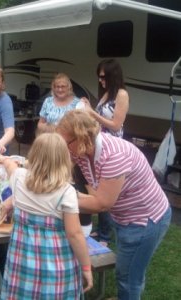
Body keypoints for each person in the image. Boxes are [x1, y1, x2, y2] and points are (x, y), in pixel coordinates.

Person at [57, 110, 171, 300]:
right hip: (125, 216)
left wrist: (58, 198)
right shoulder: (81, 150)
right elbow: (68, 172)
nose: (64, 148)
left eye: (65, 143)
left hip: (145, 220)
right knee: (132, 269)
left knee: (127, 277)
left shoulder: (114, 156)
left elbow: (102, 204)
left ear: (82, 139)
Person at [0, 133, 93, 299]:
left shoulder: (19, 178)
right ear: (64, 159)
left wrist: (2, 157)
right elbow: (75, 234)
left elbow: (9, 165)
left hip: (23, 263)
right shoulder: (66, 192)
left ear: (32, 156)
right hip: (56, 266)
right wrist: (86, 267)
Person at [37, 73, 92, 236]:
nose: (60, 89)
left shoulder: (77, 104)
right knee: (51, 179)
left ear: (69, 88)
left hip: (70, 151)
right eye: (57, 86)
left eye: (63, 86)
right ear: (53, 88)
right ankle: (53, 212)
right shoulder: (47, 102)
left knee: (71, 181)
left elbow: (83, 127)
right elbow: (40, 124)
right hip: (50, 149)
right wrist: (50, 129)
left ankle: (75, 217)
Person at [82, 58, 130, 245]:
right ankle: (102, 231)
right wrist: (88, 108)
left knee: (106, 194)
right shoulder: (106, 93)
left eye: (103, 76)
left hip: (114, 150)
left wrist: (91, 112)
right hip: (100, 147)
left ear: (112, 75)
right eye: (99, 77)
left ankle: (105, 236)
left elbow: (116, 125)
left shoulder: (122, 95)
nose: (100, 80)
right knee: (98, 190)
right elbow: (97, 118)